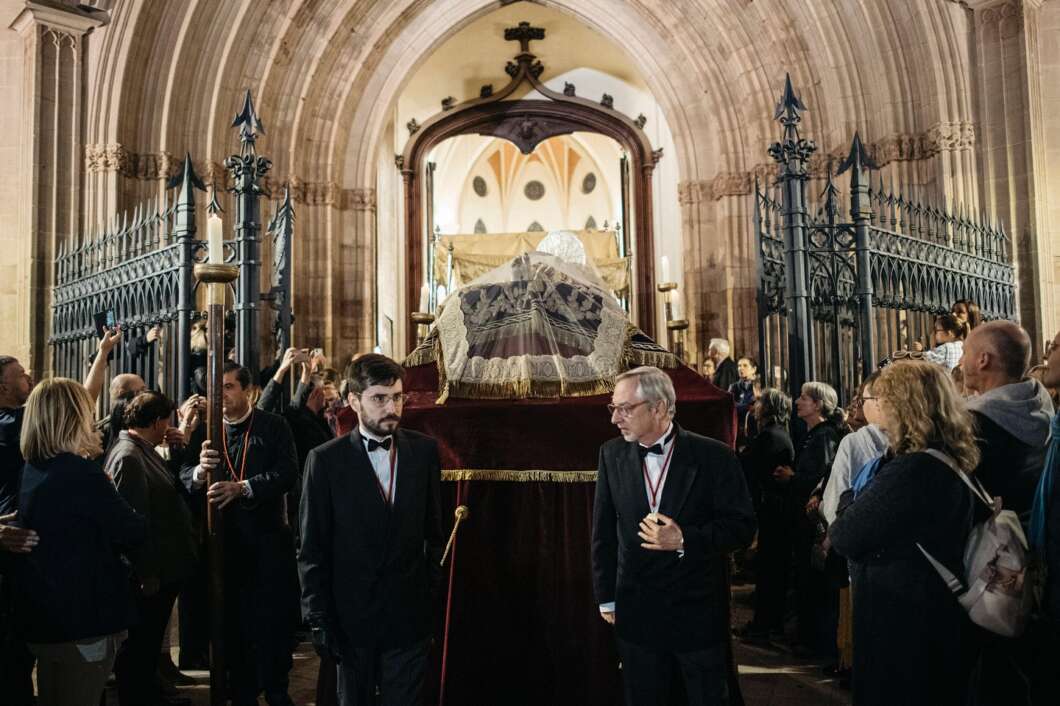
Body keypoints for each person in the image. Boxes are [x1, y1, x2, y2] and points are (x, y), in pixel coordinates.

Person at [592, 366, 756, 706]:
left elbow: (742, 527)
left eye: (625, 408)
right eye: (613, 408)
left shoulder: (714, 456)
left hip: (696, 612)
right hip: (636, 613)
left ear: (659, 408)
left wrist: (685, 540)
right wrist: (606, 596)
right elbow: (603, 533)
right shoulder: (611, 454)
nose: (615, 419)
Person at [829, 360, 977, 706]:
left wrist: (851, 497)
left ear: (904, 406)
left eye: (883, 398)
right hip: (931, 617)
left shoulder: (913, 469)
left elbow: (845, 534)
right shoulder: (947, 456)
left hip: (903, 625)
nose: (877, 406)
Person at [299, 354, 443, 706]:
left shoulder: (424, 452)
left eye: (396, 397)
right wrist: (317, 617)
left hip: (408, 619)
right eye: (379, 398)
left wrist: (430, 605)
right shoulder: (325, 460)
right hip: (350, 621)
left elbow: (435, 535)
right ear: (353, 401)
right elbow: (311, 547)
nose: (391, 407)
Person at [12, 377, 147, 706]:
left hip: (45, 620)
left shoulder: (33, 467)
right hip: (86, 621)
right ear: (73, 417)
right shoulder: (81, 473)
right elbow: (133, 531)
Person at [181, 362, 300, 706]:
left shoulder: (273, 425)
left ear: (247, 391)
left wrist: (244, 488)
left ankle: (277, 688)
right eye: (215, 389)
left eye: (229, 387)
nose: (221, 396)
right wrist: (199, 473)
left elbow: (288, 473)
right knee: (231, 626)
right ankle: (241, 690)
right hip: (224, 547)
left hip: (266, 543)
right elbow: (184, 475)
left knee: (272, 623)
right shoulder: (206, 429)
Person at [105, 391, 198, 706]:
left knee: (149, 641)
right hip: (150, 572)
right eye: (166, 421)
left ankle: (149, 692)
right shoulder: (130, 456)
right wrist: (147, 572)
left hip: (162, 567)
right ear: (158, 421)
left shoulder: (143, 448)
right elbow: (135, 519)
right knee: (140, 645)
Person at [774, 381, 845, 657]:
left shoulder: (824, 436)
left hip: (812, 522)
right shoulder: (812, 434)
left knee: (812, 582)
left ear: (817, 405)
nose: (797, 401)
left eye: (804, 397)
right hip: (801, 519)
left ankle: (813, 642)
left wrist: (794, 478)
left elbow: (823, 479)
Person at [960, 320, 1053, 521]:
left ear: (983, 359)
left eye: (965, 352)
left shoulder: (973, 422)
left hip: (996, 541)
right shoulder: (1042, 403)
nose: (961, 360)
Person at [737, 388, 795, 640]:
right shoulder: (778, 433)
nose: (756, 405)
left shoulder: (771, 436)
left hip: (772, 512)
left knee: (770, 569)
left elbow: (751, 468)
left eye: (760, 402)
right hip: (774, 510)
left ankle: (765, 625)